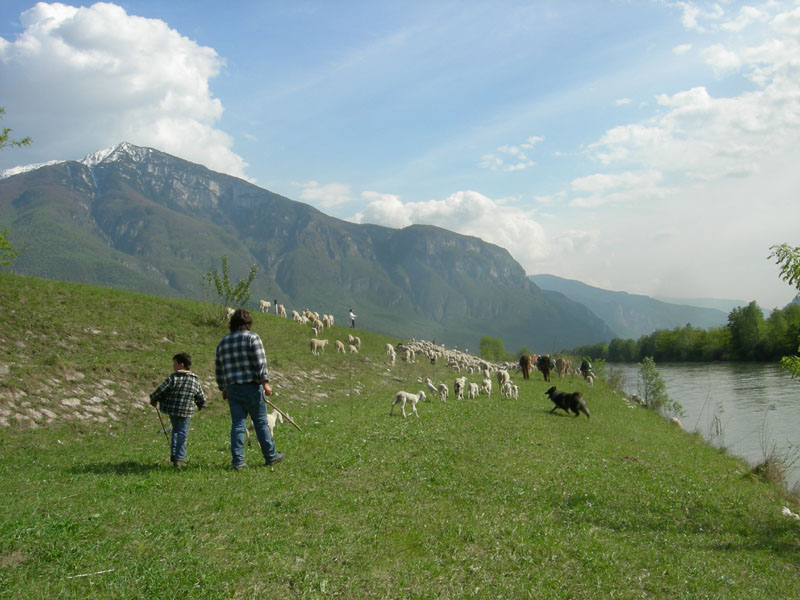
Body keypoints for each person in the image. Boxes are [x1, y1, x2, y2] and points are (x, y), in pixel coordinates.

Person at [215, 308, 284, 470]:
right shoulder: (253, 338)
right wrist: (265, 383)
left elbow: (219, 368)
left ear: (232, 324)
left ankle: (238, 461)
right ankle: (270, 456)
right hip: (251, 388)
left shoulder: (223, 342)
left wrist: (223, 387)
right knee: (260, 422)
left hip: (233, 389)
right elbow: (260, 362)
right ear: (248, 324)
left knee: (238, 424)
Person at [150, 352, 206, 468]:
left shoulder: (172, 378)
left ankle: (174, 453)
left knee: (175, 430)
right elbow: (200, 395)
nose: (173, 366)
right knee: (182, 433)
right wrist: (201, 404)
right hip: (186, 411)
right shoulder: (194, 379)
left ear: (181, 364)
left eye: (174, 363)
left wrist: (154, 399)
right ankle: (179, 458)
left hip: (173, 410)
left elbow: (160, 390)